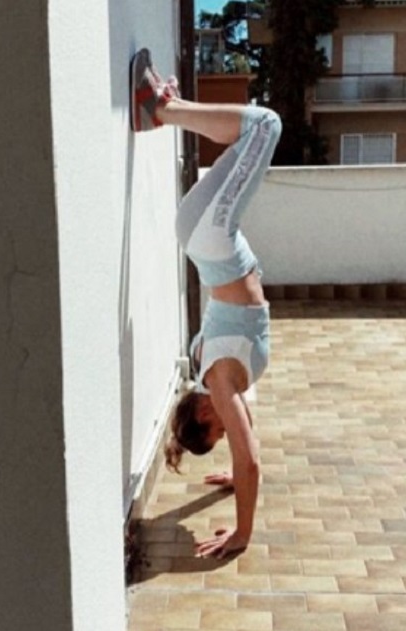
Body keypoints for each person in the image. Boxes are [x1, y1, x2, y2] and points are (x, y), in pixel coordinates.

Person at [131, 49, 282, 559]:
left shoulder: (215, 381)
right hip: (201, 238)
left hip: (212, 240)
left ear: (199, 408)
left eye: (215, 425)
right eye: (225, 428)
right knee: (250, 135)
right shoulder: (213, 378)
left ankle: (162, 109)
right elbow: (248, 445)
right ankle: (162, 111)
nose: (226, 418)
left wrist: (241, 534)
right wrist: (235, 472)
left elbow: (252, 456)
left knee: (265, 125)